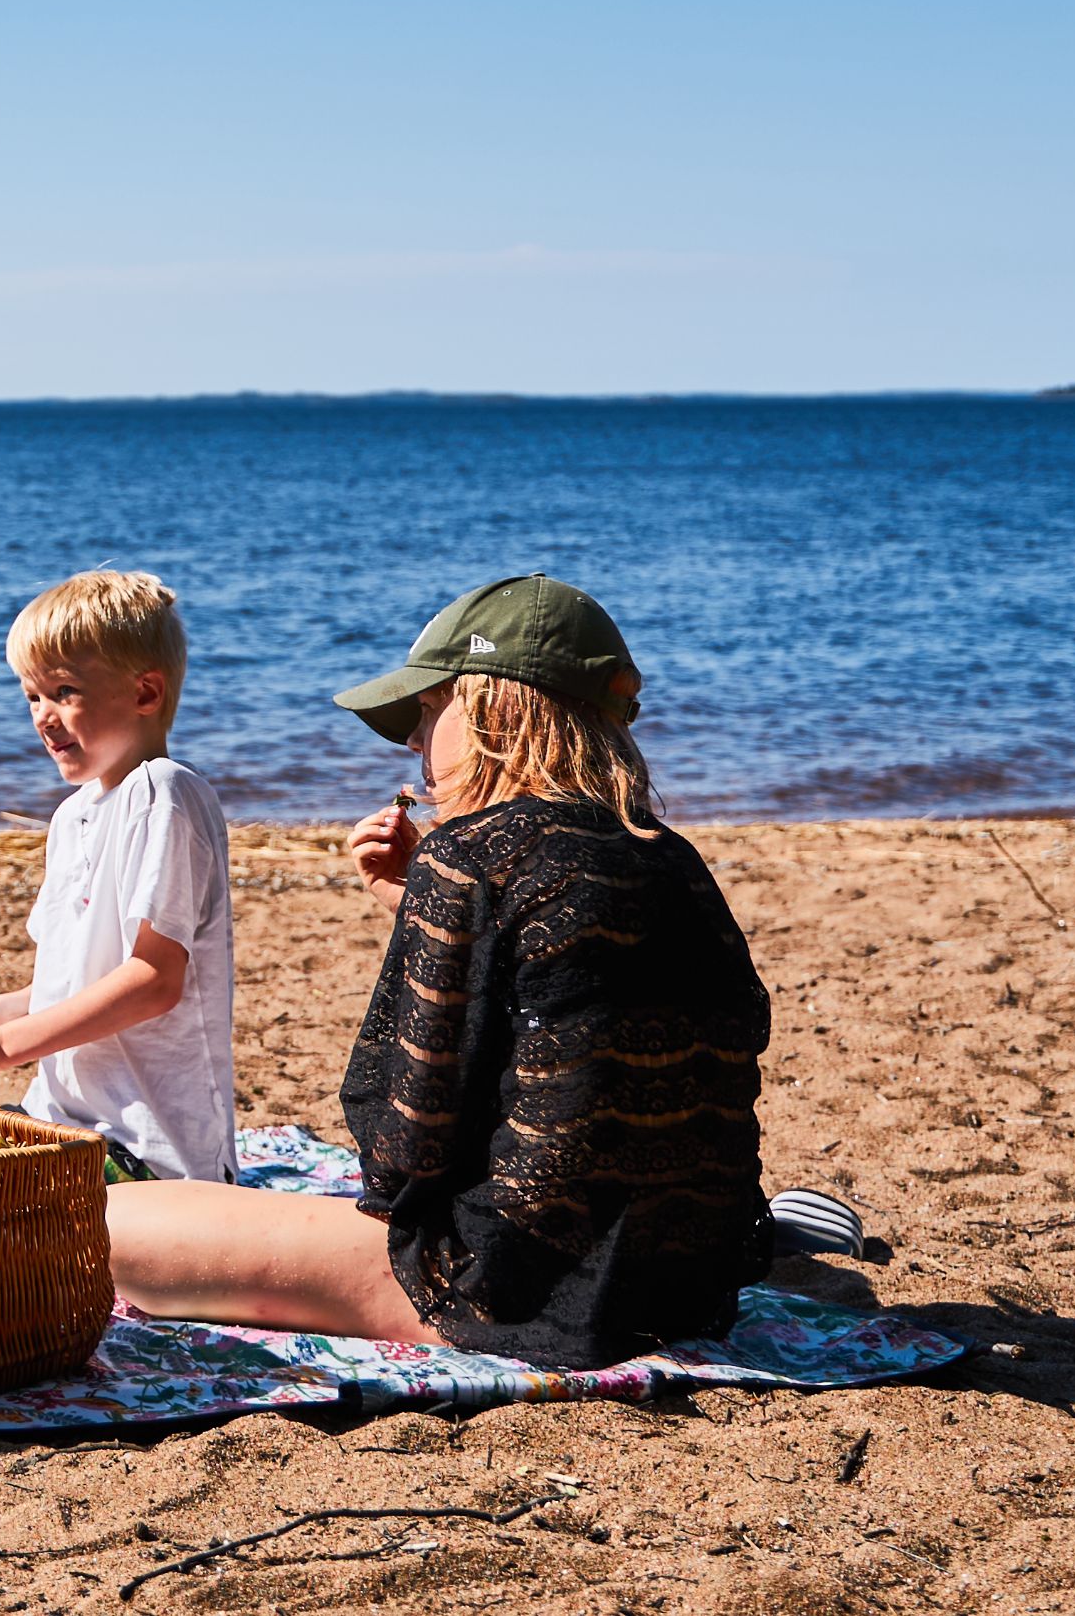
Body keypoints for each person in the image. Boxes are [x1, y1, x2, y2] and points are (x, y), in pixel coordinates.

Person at [105, 575, 771, 1365]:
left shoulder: (470, 858)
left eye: (427, 712)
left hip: (522, 1292)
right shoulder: (672, 859)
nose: (418, 746)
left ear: (493, 707)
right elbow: (578, 995)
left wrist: (437, 895)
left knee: (107, 1222)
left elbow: (401, 1150)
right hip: (688, 1282)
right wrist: (413, 900)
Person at [0, 571, 238, 1181]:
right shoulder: (72, 815)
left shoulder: (164, 792)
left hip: (148, 1148)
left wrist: (4, 1048)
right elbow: (70, 984)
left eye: (64, 691)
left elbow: (155, 979)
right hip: (61, 1120)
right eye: (31, 696)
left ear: (146, 693)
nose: (42, 717)